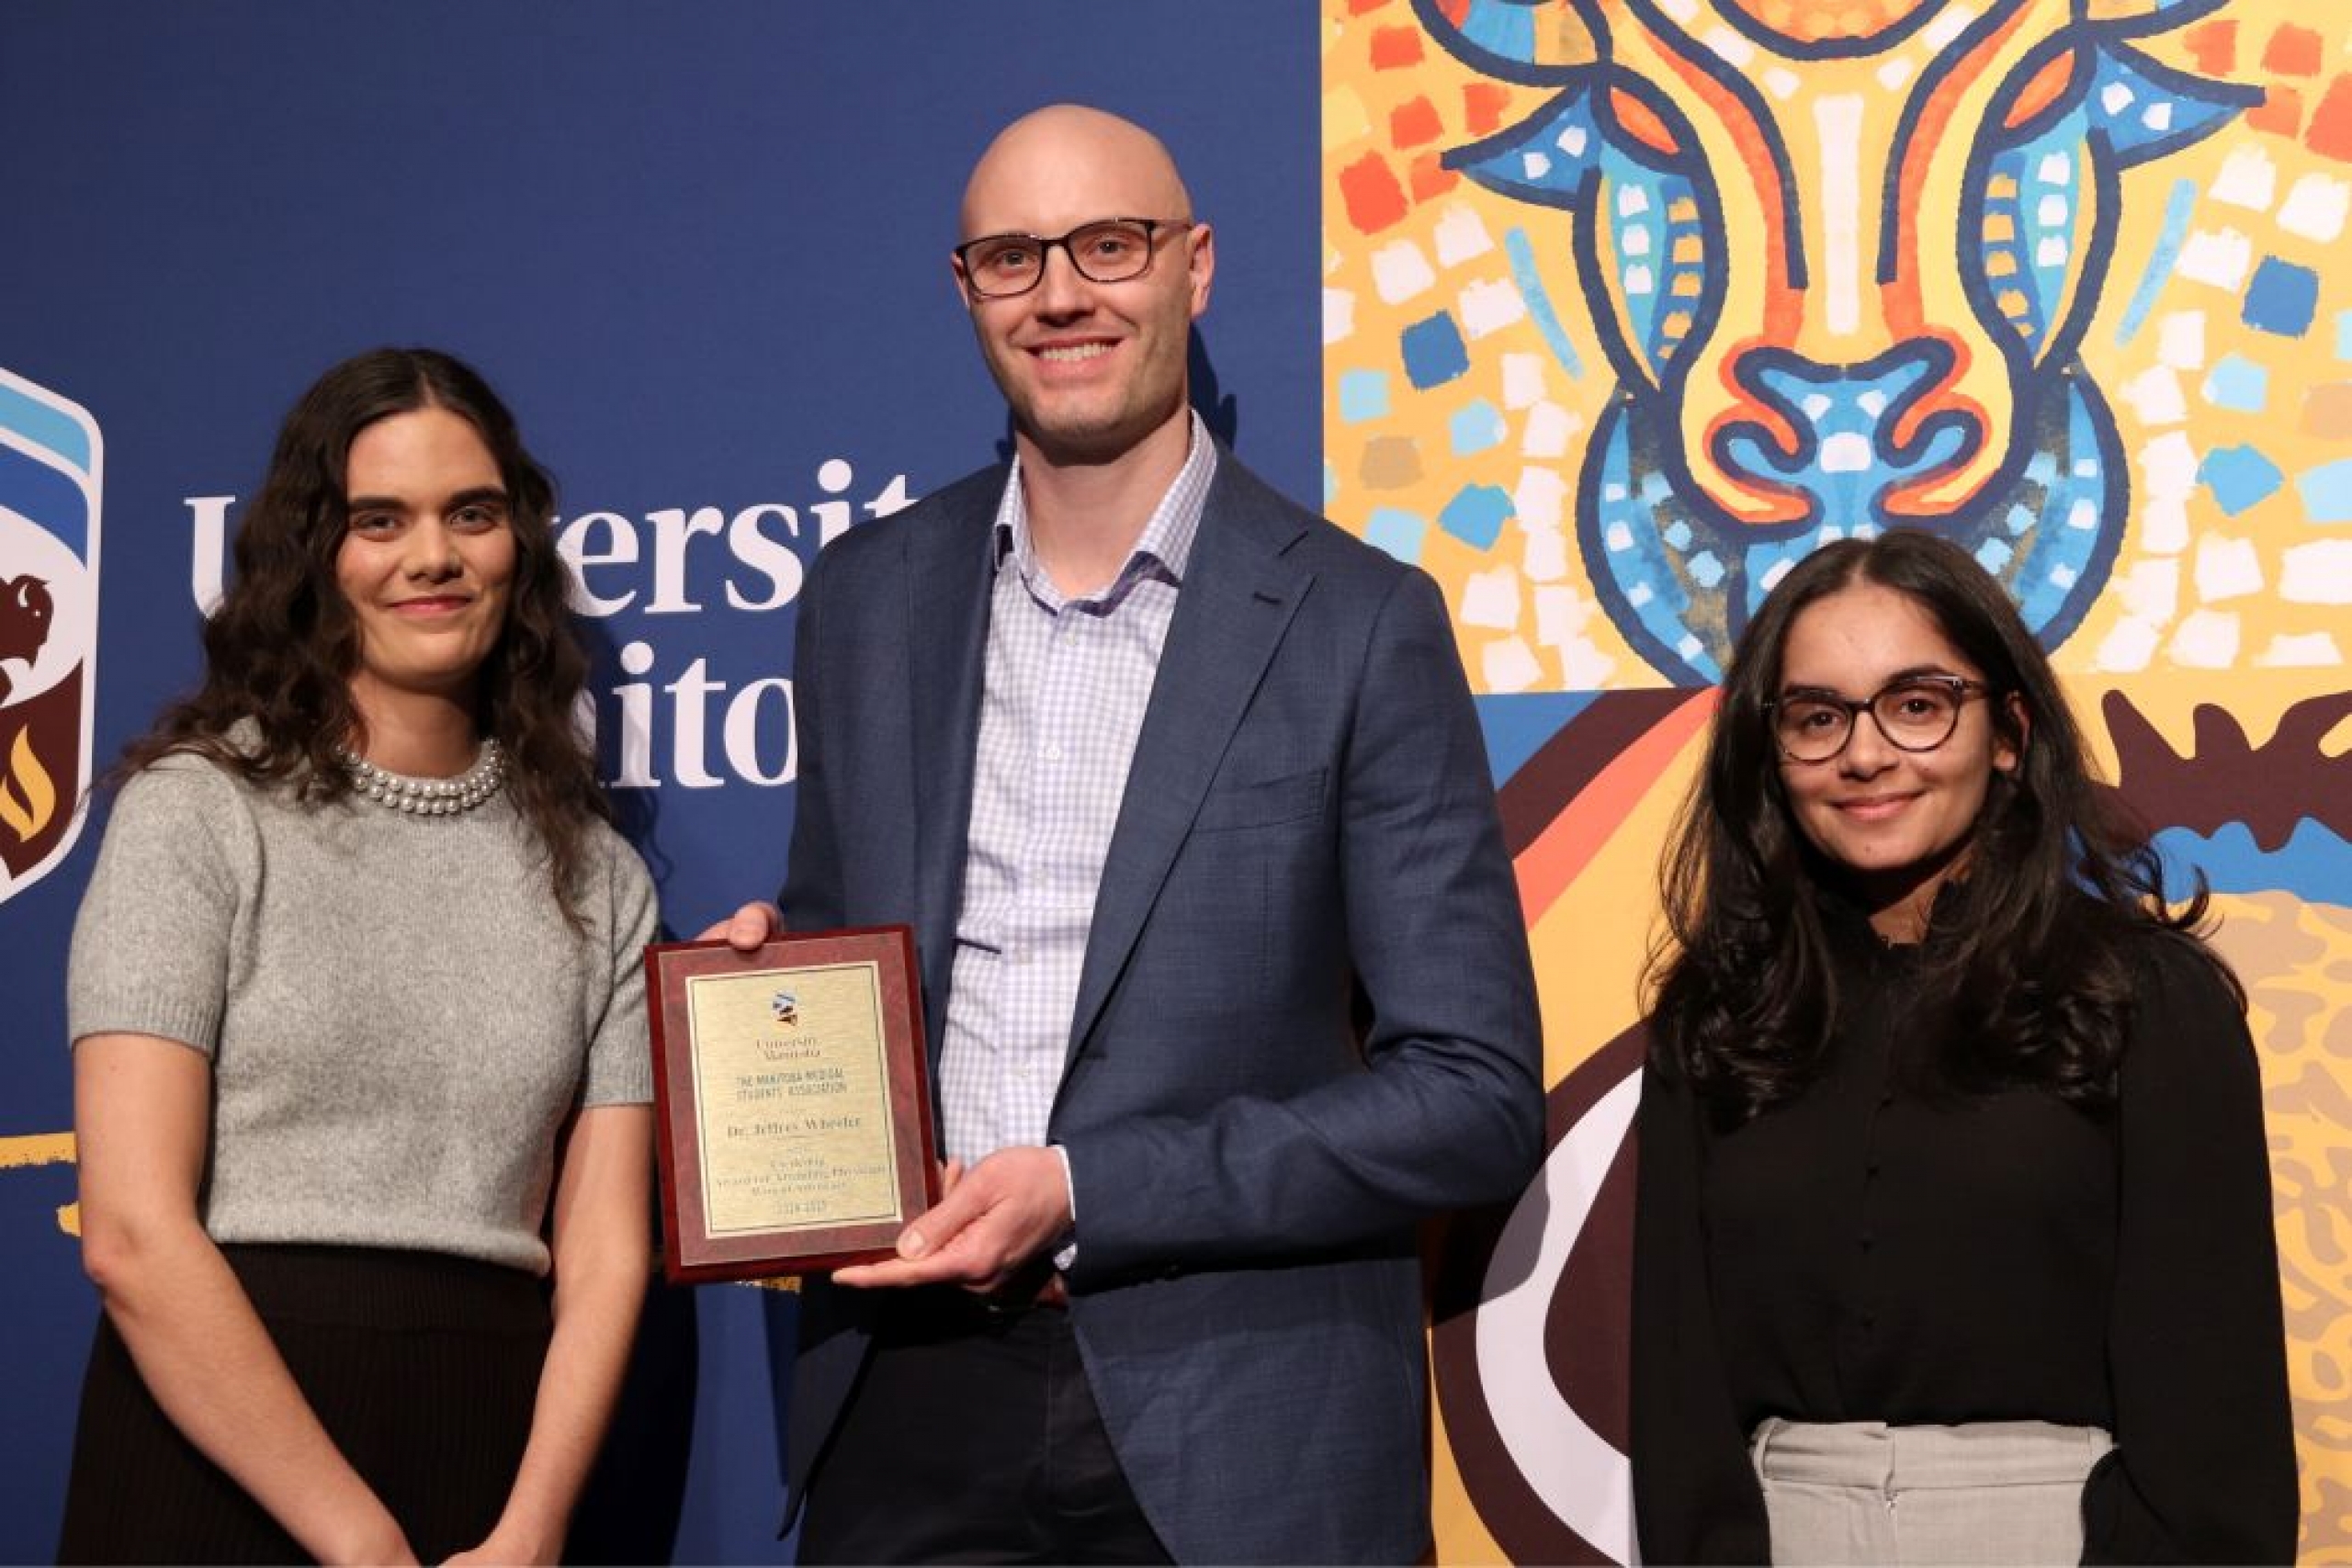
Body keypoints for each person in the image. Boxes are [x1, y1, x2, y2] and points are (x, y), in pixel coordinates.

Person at [707, 104, 1543, 1563]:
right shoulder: (863, 597)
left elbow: (1470, 1092)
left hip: (1243, 1422)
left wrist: (1092, 1186)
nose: (1064, 291)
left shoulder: (1358, 623)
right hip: (906, 1403)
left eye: (1110, 243)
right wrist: (776, 996)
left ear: (1196, 268)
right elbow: (853, 967)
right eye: (1013, 256)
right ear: (965, 290)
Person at [60, 348, 657, 1565]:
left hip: (489, 1468)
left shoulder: (601, 879)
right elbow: (128, 1228)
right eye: (378, 519)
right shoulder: (197, 812)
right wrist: (357, 1539)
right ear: (312, 553)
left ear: (518, 547)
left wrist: (534, 1527)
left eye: (470, 514)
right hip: (212, 1450)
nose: (430, 556)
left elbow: (603, 1253)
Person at [1631, 529, 2299, 1563]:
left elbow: (2214, 1416)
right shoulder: (1715, 1016)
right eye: (1816, 716)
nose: (1862, 752)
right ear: (1771, 753)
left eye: (1916, 703)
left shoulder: (2144, 1002)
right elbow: (1677, 1396)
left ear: (2005, 731)